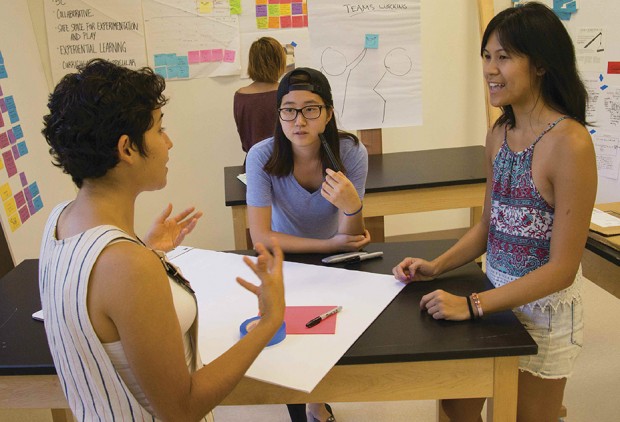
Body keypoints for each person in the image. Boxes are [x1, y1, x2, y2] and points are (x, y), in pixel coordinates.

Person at [39, 58, 285, 421]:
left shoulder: (60, 220)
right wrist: (269, 321)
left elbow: (101, 310)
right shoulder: (126, 266)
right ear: (127, 149)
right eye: (159, 130)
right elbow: (181, 409)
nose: (169, 143)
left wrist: (147, 251)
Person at [392, 3, 596, 422]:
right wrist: (439, 264)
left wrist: (473, 305)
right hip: (493, 297)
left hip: (544, 311)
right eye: (486, 56)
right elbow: (490, 222)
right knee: (455, 407)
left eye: (504, 57)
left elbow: (562, 267)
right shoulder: (498, 133)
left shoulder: (570, 143)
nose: (490, 69)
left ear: (540, 64)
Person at [245, 67, 370, 421]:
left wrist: (352, 206)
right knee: (290, 331)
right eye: (289, 109)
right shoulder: (262, 157)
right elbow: (261, 238)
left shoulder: (350, 151)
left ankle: (318, 401)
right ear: (279, 114)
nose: (299, 120)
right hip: (284, 257)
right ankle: (304, 406)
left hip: (335, 259)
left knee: (329, 332)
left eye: (311, 109)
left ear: (328, 113)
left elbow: (351, 236)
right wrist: (330, 244)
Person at [234, 36, 287, 154]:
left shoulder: (240, 96)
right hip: (283, 162)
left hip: (253, 161)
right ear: (280, 61)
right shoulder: (287, 93)